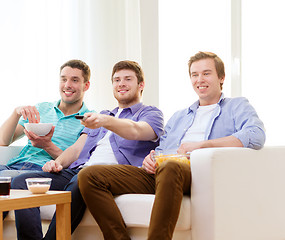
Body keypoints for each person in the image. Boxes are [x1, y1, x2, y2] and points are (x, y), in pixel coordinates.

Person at [78, 51, 266, 240]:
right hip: (162, 172)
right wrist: (150, 159)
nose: (200, 79)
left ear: (221, 77)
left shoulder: (236, 106)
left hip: (196, 172)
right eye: (195, 74)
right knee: (89, 176)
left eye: (206, 73)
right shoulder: (180, 116)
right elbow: (161, 149)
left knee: (171, 166)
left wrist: (202, 146)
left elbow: (255, 134)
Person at [11, 60, 165, 240]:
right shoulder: (103, 115)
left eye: (128, 79)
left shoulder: (151, 113)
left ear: (141, 85)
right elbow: (77, 149)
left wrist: (105, 121)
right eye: (116, 80)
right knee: (22, 182)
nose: (121, 83)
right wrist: (57, 162)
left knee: (83, 178)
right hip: (78, 171)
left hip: (112, 175)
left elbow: (136, 130)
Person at [0, 59, 92, 240]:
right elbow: (1, 141)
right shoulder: (42, 109)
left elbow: (76, 160)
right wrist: (16, 113)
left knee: (5, 179)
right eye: (63, 79)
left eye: (74, 80)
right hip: (14, 167)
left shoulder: (89, 119)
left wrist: (47, 145)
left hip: (47, 172)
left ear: (86, 85)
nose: (67, 85)